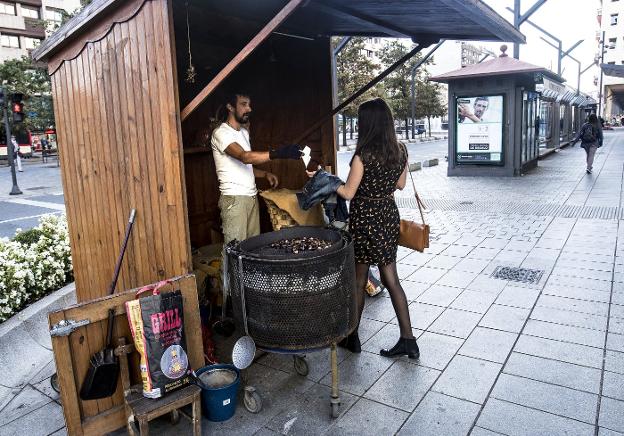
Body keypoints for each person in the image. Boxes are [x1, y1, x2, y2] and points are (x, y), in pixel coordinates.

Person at [331, 98, 418, 359]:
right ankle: (408, 339)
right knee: (391, 278)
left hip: (365, 220)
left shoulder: (363, 155)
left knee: (358, 281)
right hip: (388, 216)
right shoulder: (400, 150)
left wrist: (328, 181)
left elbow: (347, 193)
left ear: (367, 124)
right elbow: (400, 184)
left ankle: (353, 337)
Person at [211, 90, 302, 244]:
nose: (249, 109)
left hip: (251, 197)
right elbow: (244, 157)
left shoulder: (244, 133)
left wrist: (265, 174)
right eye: (244, 104)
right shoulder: (221, 133)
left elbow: (243, 167)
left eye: (249, 104)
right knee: (235, 252)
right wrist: (279, 153)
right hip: (234, 200)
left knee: (251, 248)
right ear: (230, 107)